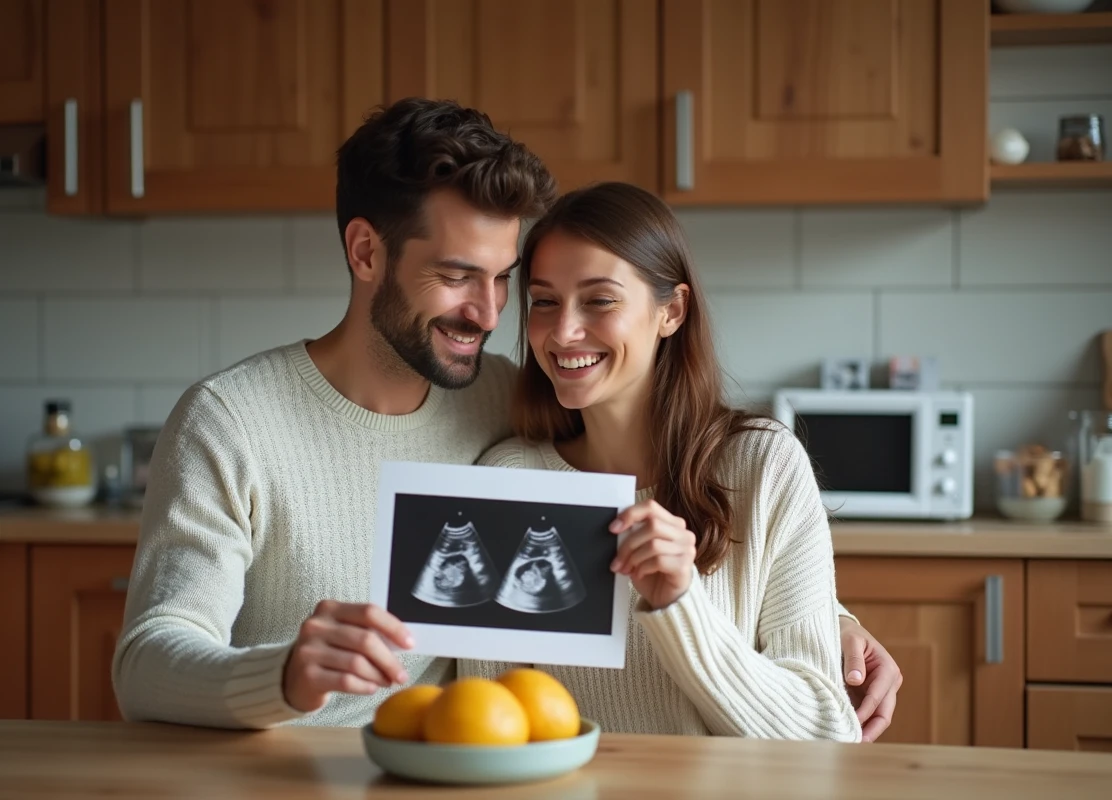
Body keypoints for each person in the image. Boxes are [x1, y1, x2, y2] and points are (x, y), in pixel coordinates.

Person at [112, 98, 900, 739]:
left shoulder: (506, 406)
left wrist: (827, 618)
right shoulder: (232, 422)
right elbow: (147, 662)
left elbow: (690, 515)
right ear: (364, 252)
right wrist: (281, 675)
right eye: (457, 277)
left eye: (502, 280)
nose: (492, 316)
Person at [459, 182, 868, 741]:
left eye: (600, 300)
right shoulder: (508, 482)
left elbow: (827, 733)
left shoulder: (765, 466)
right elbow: (488, 729)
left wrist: (681, 605)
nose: (562, 332)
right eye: (545, 301)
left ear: (671, 311)